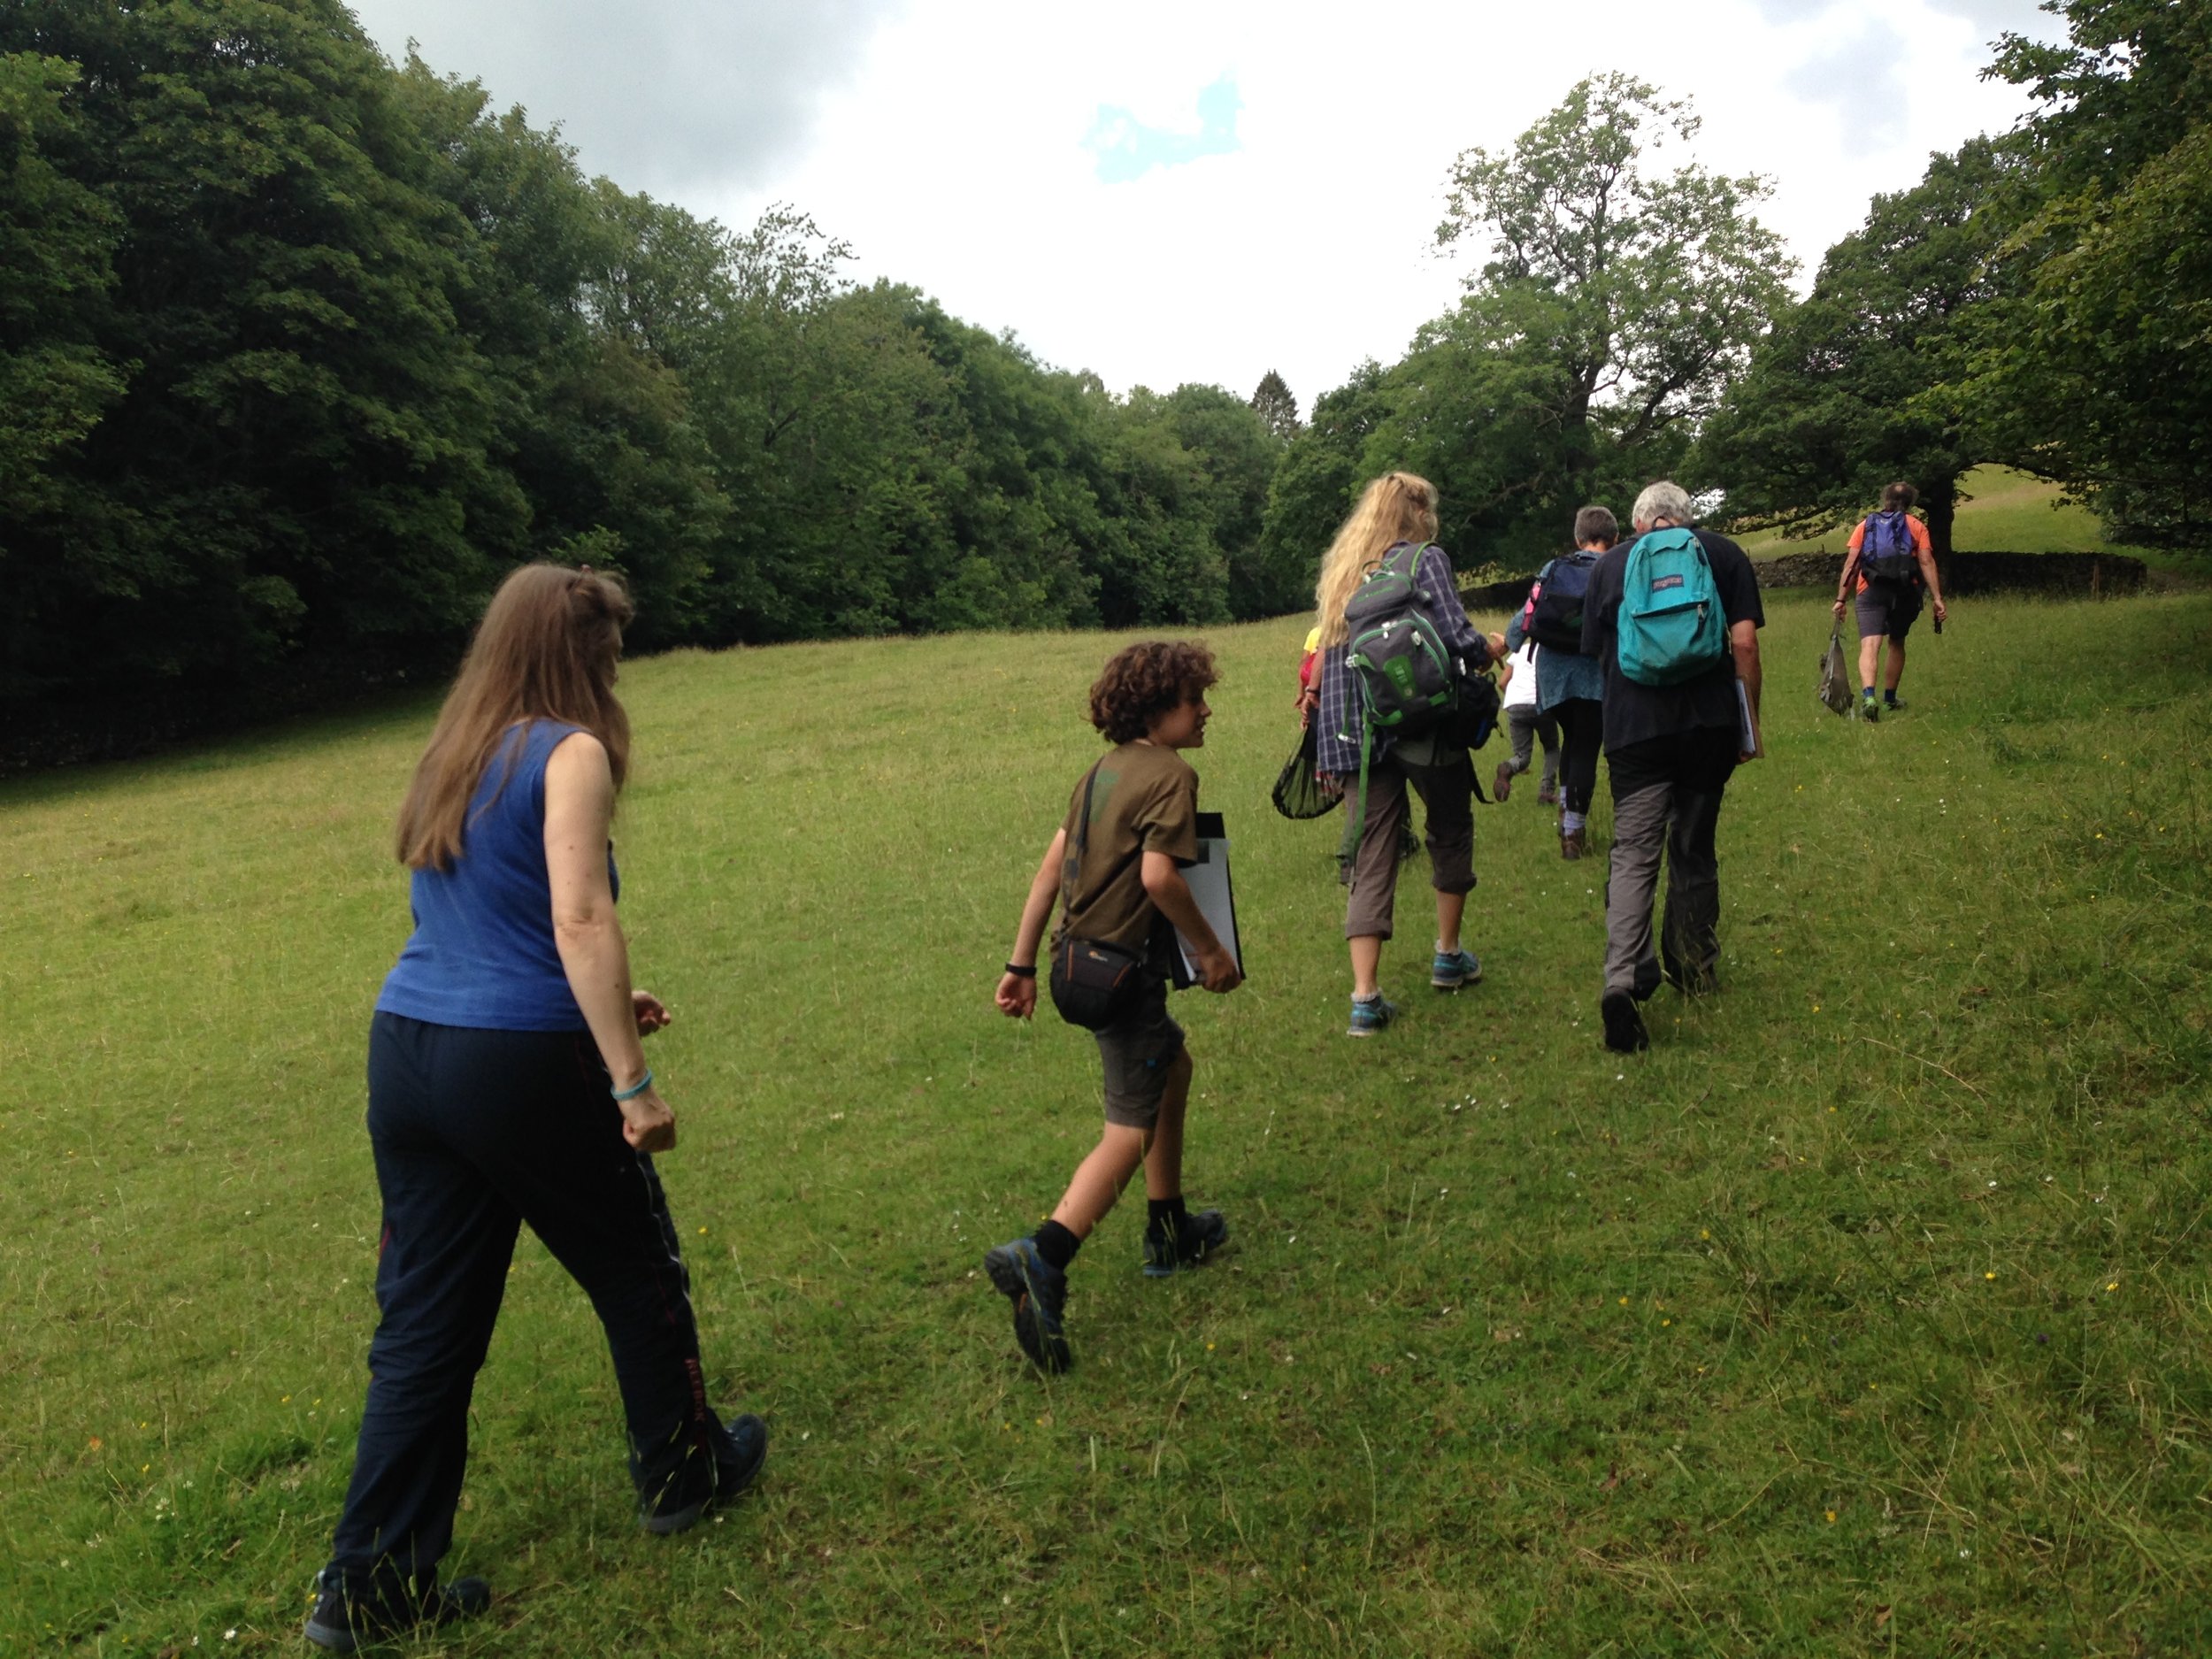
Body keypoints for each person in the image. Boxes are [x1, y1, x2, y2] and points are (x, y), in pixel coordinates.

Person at [308, 565, 764, 1650]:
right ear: (578, 652)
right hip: (514, 1057)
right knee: (636, 1265)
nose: (616, 669)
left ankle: (367, 1584)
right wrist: (631, 1085)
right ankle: (684, 1471)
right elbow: (577, 916)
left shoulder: (453, 751)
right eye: (608, 651)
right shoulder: (571, 750)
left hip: (410, 1049)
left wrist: (600, 1008)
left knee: (424, 1328)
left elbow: (489, 914)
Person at [986, 641, 1243, 1375]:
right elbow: (1161, 878)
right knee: (1126, 1131)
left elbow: (1048, 872)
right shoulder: (1171, 775)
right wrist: (1211, 951)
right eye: (1195, 699)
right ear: (1159, 709)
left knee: (1174, 1065)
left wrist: (1021, 963)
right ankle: (1046, 1252)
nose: (1205, 710)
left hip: (1074, 964)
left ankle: (1169, 1228)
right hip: (1122, 974)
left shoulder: (1098, 774)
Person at [1579, 482, 1765, 1055]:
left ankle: (1623, 980)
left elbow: (1596, 657)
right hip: (1708, 727)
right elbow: (1745, 646)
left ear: (1638, 524)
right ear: (1686, 519)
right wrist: (1749, 724)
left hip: (1636, 734)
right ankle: (1693, 965)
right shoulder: (1724, 553)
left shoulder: (1608, 568)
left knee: (1634, 852)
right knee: (1693, 846)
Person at [1313, 472, 1498, 1035]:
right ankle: (1447, 955)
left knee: (1371, 853)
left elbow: (1331, 661)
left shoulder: (1343, 571)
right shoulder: (1423, 560)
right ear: (1417, 511)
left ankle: (1365, 997)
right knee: (1449, 828)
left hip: (1356, 731)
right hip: (1422, 720)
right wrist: (1491, 646)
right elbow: (1456, 636)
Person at [1503, 505, 1614, 860]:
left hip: (1551, 678)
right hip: (1594, 675)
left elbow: (1525, 618)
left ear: (1578, 537)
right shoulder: (1615, 568)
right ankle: (1573, 833)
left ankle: (1566, 813)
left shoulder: (1554, 568)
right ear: (1614, 539)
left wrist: (1507, 645)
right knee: (1585, 746)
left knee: (1571, 742)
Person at [1832, 481, 1948, 720]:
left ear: (1884, 499)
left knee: (1869, 645)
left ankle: (1868, 697)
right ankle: (1889, 700)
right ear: (1910, 502)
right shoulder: (1916, 527)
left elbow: (1851, 565)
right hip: (1905, 592)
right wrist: (1937, 598)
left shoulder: (1866, 526)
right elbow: (1926, 561)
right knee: (1896, 642)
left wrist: (1841, 599)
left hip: (1870, 590)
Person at [1493, 639, 1561, 810]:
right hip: (1539, 703)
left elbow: (1502, 683)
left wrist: (1517, 701)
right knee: (1551, 748)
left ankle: (1508, 767)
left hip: (1515, 702)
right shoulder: (1552, 651)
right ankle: (1546, 792)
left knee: (1522, 756)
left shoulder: (1519, 651)